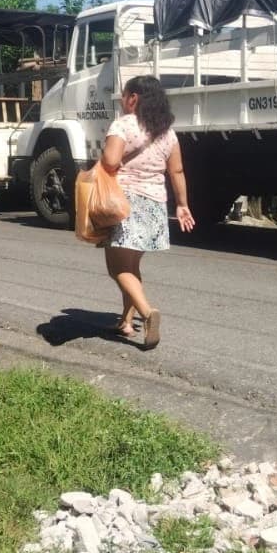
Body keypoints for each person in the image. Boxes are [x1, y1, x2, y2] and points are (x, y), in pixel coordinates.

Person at [99, 75, 194, 349]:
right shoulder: (167, 131)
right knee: (131, 266)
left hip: (123, 202)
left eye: (123, 94)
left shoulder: (124, 124)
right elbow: (176, 171)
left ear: (134, 98)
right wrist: (182, 204)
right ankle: (126, 322)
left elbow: (111, 160)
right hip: (154, 204)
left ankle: (147, 312)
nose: (121, 99)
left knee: (116, 268)